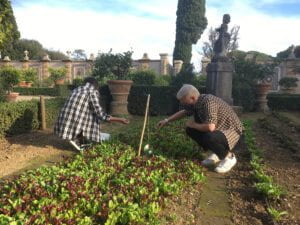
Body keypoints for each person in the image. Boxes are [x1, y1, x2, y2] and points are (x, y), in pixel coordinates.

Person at [158, 84, 243, 173]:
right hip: (220, 132)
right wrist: (167, 120)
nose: (182, 103)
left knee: (208, 136)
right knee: (190, 130)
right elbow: (184, 112)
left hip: (234, 134)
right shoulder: (196, 103)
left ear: (192, 98)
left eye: (183, 101)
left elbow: (210, 128)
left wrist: (193, 124)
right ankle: (216, 154)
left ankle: (229, 157)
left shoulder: (209, 102)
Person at [54, 77, 129, 151]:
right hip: (74, 125)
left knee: (91, 114)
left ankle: (79, 137)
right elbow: (101, 115)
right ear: (96, 85)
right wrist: (119, 119)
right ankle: (82, 139)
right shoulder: (92, 92)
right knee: (95, 116)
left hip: (63, 125)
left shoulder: (76, 90)